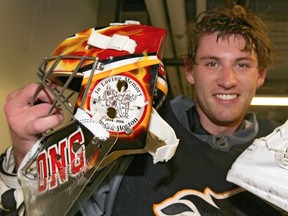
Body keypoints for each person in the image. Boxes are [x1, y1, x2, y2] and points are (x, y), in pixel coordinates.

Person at [0, 4, 285, 216]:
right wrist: (27, 151)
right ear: (189, 72)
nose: (227, 79)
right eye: (212, 63)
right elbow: (51, 210)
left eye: (242, 64)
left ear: (261, 75)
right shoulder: (131, 134)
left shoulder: (280, 153)